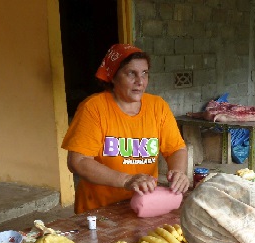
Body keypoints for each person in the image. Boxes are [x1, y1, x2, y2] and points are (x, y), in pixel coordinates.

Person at [61, 44, 189, 214]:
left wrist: (178, 172)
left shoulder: (158, 107)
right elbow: (78, 161)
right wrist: (126, 180)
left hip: (145, 204)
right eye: (131, 73)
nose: (140, 81)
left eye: (145, 73)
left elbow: (176, 148)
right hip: (100, 209)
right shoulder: (93, 108)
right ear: (113, 77)